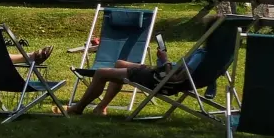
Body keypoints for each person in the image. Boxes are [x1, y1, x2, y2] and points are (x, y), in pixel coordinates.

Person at [63, 35, 202, 115]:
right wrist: (162, 61)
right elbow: (178, 72)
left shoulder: (200, 55)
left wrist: (164, 60)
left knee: (100, 73)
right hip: (162, 74)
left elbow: (178, 77)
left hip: (159, 79)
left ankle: (78, 108)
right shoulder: (210, 57)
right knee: (119, 63)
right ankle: (101, 107)